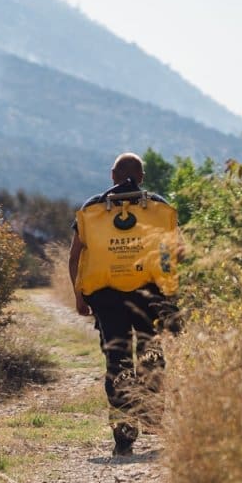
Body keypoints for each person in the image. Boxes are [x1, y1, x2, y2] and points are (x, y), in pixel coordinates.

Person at [69, 152, 181, 457]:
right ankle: (152, 415)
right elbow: (175, 251)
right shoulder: (157, 207)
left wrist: (79, 294)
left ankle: (123, 437)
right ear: (141, 177)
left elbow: (76, 254)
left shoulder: (93, 209)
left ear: (112, 176)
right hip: (149, 295)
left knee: (117, 361)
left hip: (106, 297)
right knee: (151, 352)